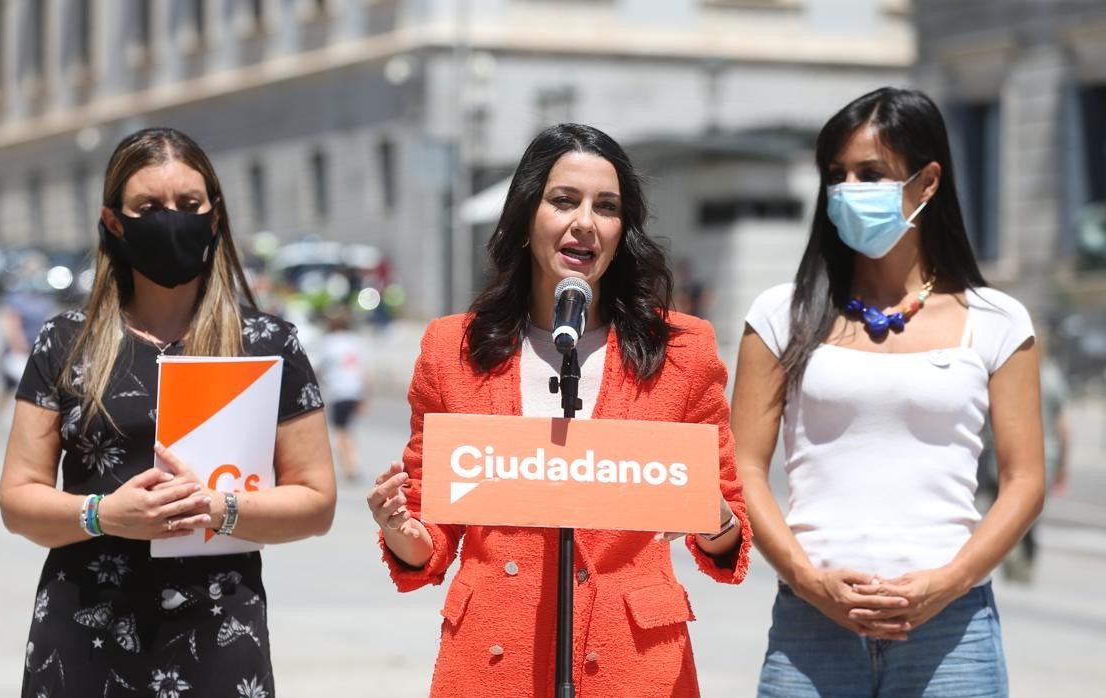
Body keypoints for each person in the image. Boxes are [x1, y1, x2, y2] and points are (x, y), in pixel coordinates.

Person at [366, 123, 750, 697]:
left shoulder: (683, 351)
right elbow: (431, 532)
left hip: (636, 662)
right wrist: (401, 528)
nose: (585, 223)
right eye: (563, 201)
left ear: (624, 230)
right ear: (526, 217)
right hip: (493, 658)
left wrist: (712, 517)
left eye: (607, 207)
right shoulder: (452, 350)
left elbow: (729, 534)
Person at [0, 127, 336, 698]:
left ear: (214, 216)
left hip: (219, 631)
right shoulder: (66, 343)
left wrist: (218, 507)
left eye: (187, 205)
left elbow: (316, 501)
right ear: (113, 221)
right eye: (148, 207)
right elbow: (18, 498)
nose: (170, 218)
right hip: (84, 633)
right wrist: (103, 514)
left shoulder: (266, 343)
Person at [731, 87, 1045, 697]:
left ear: (927, 183)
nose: (848, 190)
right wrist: (807, 577)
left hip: (951, 632)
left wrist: (948, 582)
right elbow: (741, 465)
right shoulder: (780, 315)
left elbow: (1025, 482)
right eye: (836, 175)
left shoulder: (998, 320)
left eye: (870, 174)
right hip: (811, 629)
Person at [976, 331, 1071, 584]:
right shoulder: (1051, 377)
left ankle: (1010, 556)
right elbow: (1063, 427)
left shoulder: (1001, 370)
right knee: (1026, 512)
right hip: (1046, 456)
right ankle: (1018, 560)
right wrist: (1063, 464)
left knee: (1002, 505)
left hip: (1000, 453)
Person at [0, 259, 58, 433]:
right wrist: (17, 343)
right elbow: (10, 323)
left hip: (36, 350)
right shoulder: (16, 298)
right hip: (17, 351)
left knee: (33, 389)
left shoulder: (45, 298)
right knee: (9, 387)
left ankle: (31, 425)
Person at [317, 308, 367, 483]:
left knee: (340, 431)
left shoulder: (329, 342)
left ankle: (349, 466)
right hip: (354, 389)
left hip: (338, 391)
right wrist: (365, 395)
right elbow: (363, 370)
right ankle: (352, 463)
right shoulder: (355, 342)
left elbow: (320, 366)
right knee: (348, 429)